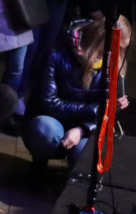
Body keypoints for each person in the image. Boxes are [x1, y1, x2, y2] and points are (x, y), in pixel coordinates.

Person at [25, 16, 129, 169]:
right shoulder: (57, 54)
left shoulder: (115, 62)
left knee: (85, 154)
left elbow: (107, 115)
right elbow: (48, 102)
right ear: (101, 39)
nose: (118, 53)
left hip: (87, 127)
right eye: (117, 47)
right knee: (44, 129)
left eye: (122, 49)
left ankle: (75, 175)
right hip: (54, 120)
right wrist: (98, 108)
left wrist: (83, 128)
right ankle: (40, 161)